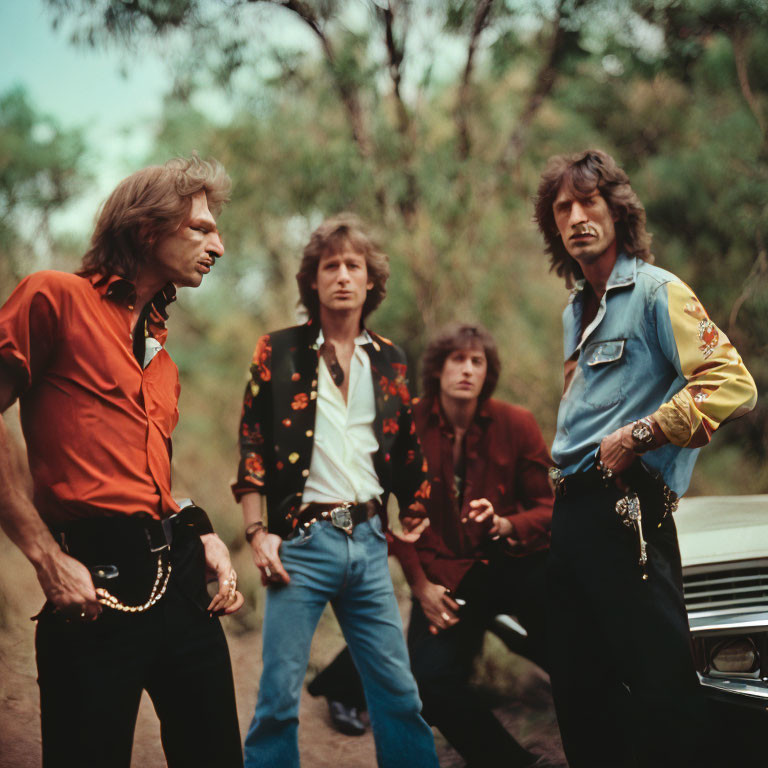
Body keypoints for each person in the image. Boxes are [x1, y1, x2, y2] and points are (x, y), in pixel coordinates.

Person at [0, 154, 245, 768]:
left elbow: (150, 477)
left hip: (182, 582)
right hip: (93, 589)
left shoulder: (163, 363)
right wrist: (45, 556)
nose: (218, 244)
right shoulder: (52, 299)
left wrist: (201, 529)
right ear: (146, 229)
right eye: (202, 228)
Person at [533, 149, 757, 768]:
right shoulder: (575, 311)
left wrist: (642, 434)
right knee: (581, 694)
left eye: (589, 201)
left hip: (626, 507)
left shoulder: (657, 291)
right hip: (572, 514)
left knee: (663, 691)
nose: (578, 216)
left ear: (615, 210)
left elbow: (733, 384)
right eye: (563, 207)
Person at [232, 214, 439, 768]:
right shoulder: (277, 351)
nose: (343, 276)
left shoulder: (391, 360)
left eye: (354, 266)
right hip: (301, 544)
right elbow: (251, 448)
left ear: (371, 280)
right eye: (331, 266)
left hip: (369, 545)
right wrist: (258, 534)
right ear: (314, 280)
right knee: (277, 700)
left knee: (400, 697)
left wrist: (415, 512)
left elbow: (408, 454)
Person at [310, 322, 555, 768]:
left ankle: (611, 710)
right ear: (437, 370)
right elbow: (375, 511)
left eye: (476, 361)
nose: (466, 370)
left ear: (488, 372)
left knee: (567, 640)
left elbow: (548, 509)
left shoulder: (516, 424)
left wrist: (504, 521)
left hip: (507, 565)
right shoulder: (404, 423)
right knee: (431, 679)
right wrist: (419, 585)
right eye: (456, 360)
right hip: (444, 577)